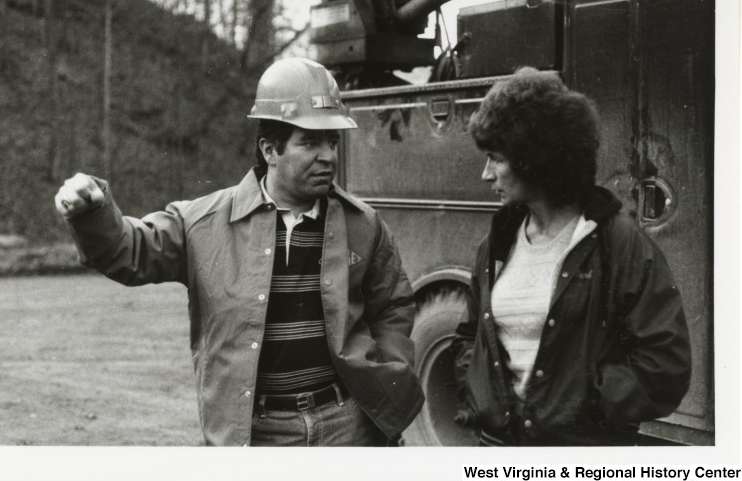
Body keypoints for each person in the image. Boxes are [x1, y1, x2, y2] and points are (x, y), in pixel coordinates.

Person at [54, 57, 424, 446]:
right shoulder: (203, 223)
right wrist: (94, 212)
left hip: (348, 429)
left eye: (332, 141)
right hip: (258, 433)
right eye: (310, 142)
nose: (328, 156)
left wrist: (386, 377)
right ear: (270, 149)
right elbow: (130, 250)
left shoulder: (363, 225)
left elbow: (393, 306)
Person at [450, 67, 691, 446]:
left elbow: (665, 367)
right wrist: (482, 395)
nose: (485, 174)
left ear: (534, 159)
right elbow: (468, 337)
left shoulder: (619, 244)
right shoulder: (496, 243)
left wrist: (585, 403)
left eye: (495, 159)